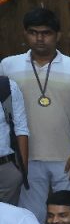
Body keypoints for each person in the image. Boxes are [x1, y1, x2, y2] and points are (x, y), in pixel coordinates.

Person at [1, 8, 70, 222]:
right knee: (31, 219)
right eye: (33, 32)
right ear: (25, 33)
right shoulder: (8, 66)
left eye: (46, 33)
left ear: (58, 35)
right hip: (26, 159)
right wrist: (18, 164)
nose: (39, 38)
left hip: (68, 157)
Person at [0, 65, 28, 206]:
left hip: (6, 168)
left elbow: (21, 128)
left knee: (8, 216)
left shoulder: (7, 87)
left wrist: (21, 170)